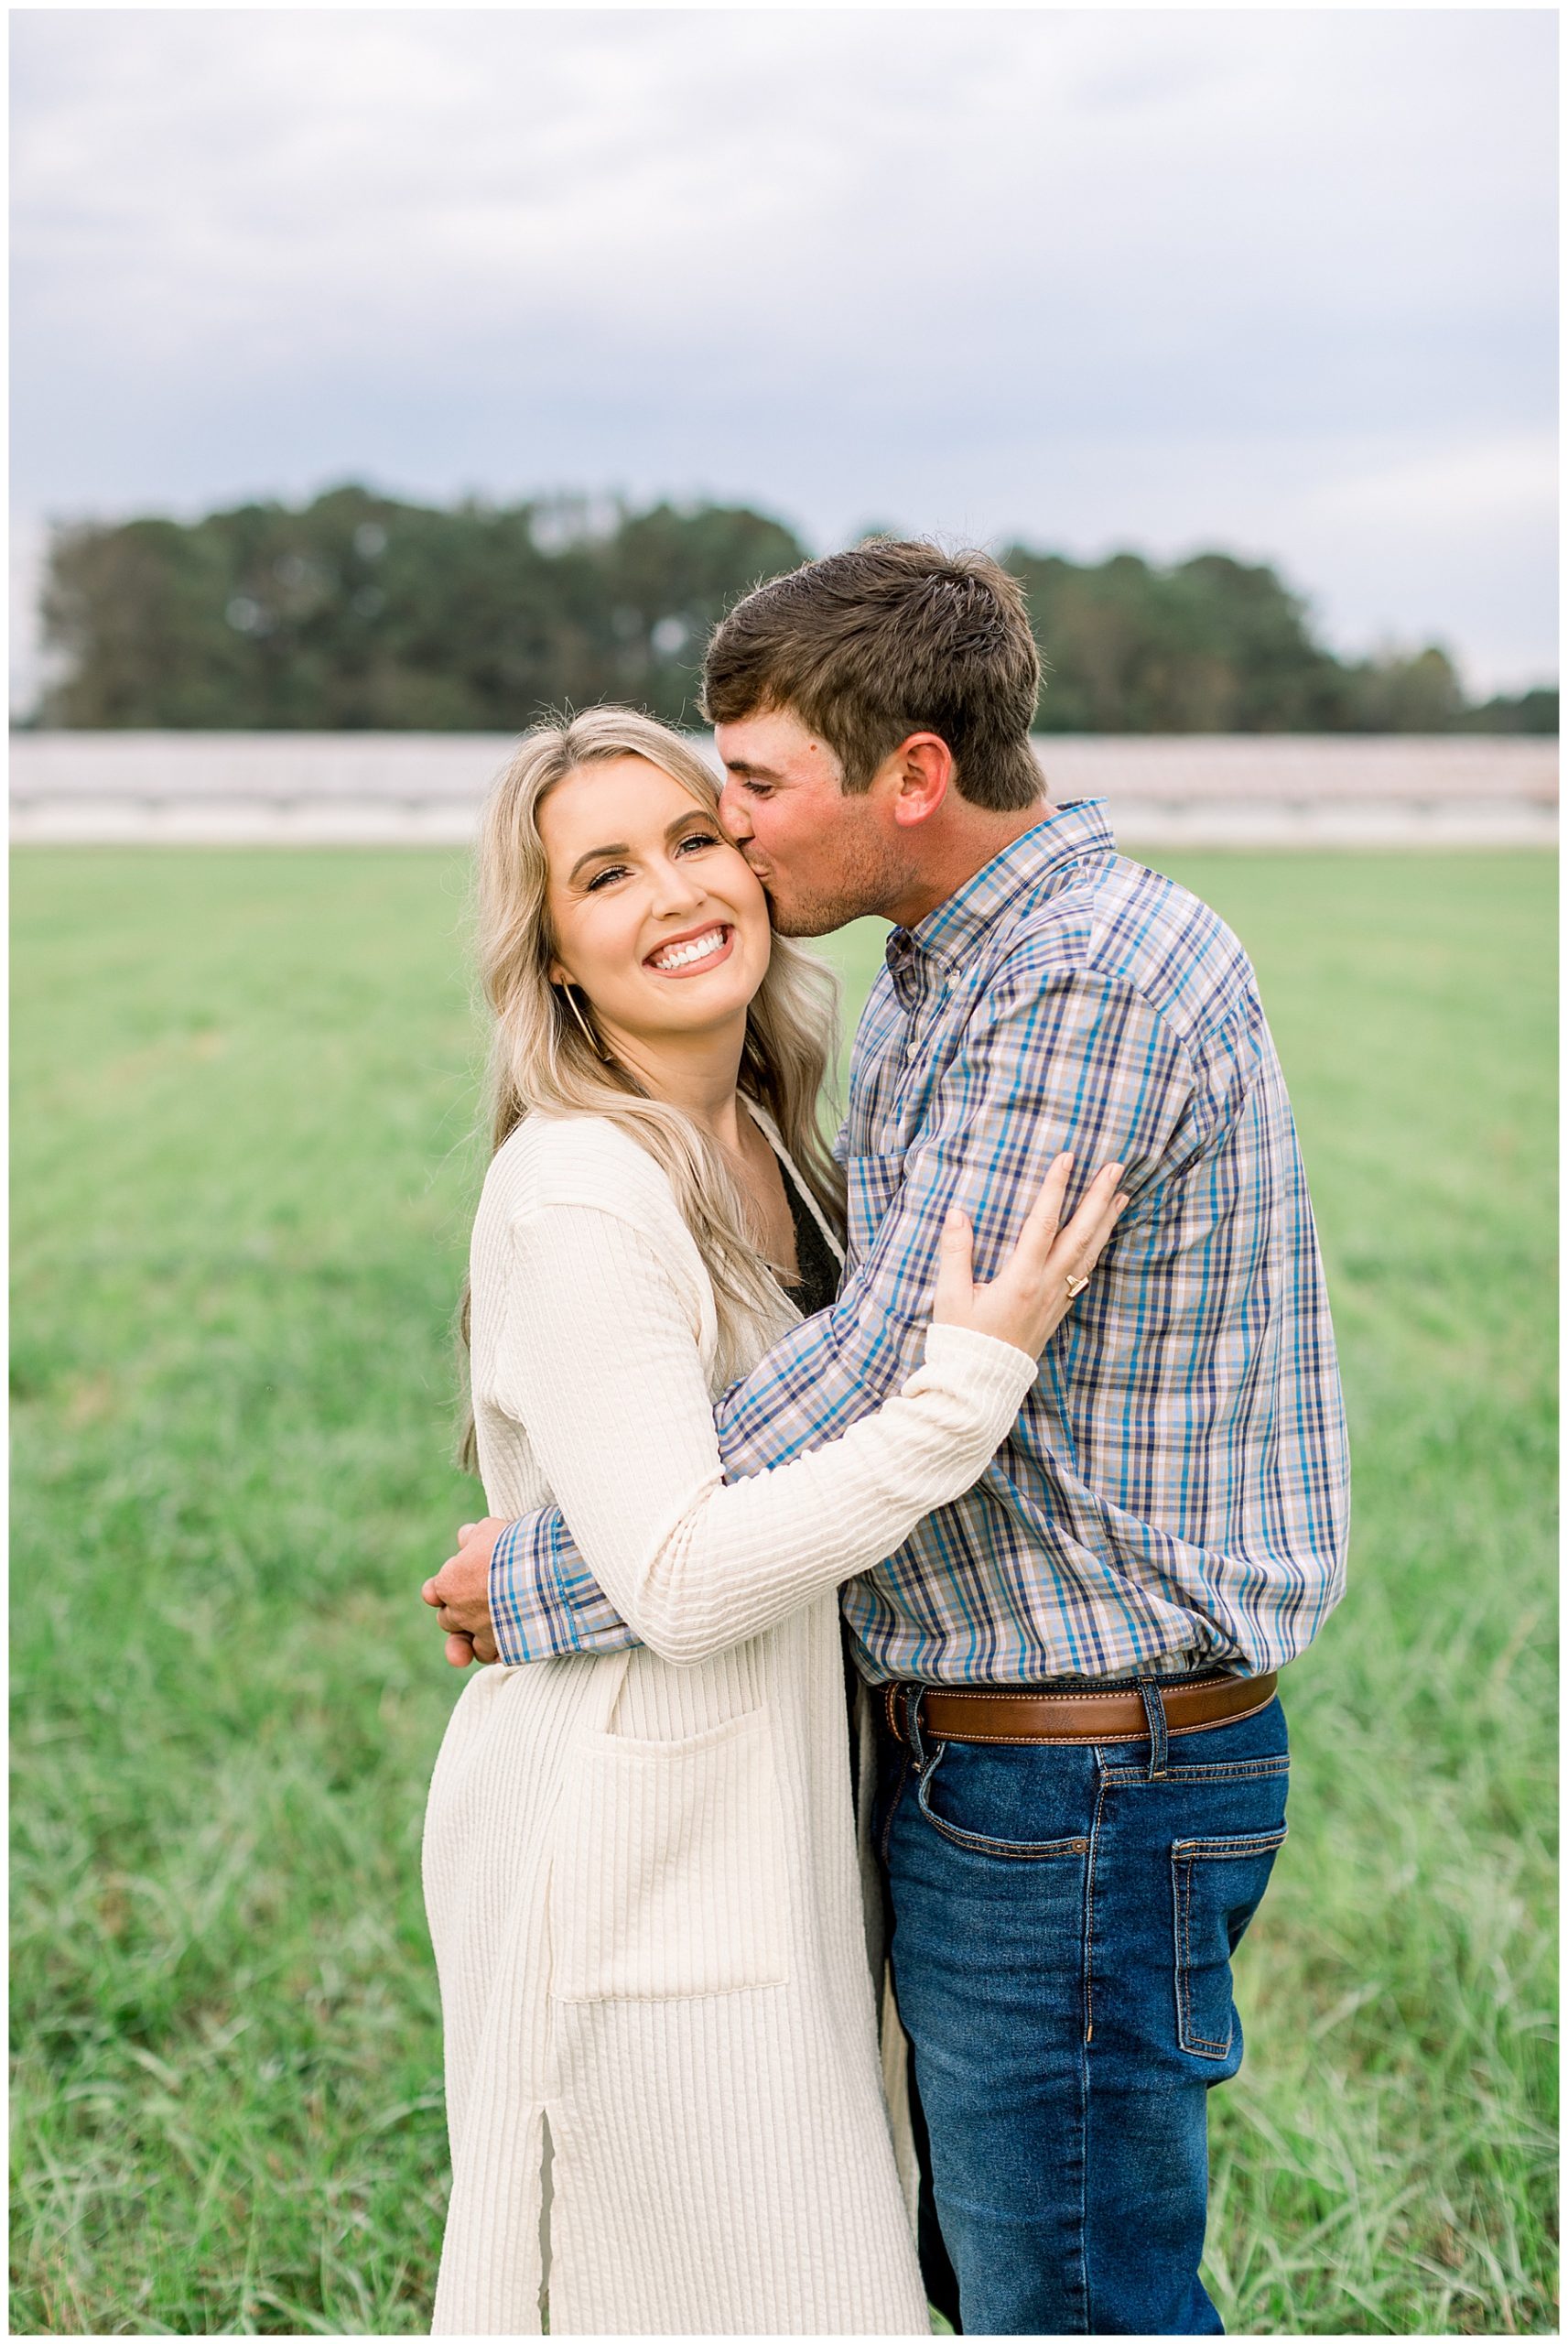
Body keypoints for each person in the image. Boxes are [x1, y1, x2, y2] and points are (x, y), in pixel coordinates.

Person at [427, 542, 1352, 2336]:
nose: (734, 845)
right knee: (955, 2276)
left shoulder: (1075, 977)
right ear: (546, 942)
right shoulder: (934, 975)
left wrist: (546, 1565)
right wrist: (614, 1544)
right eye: (623, 860)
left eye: (739, 801)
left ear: (907, 776)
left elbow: (882, 1369)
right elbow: (879, 1369)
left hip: (1072, 1775)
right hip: (935, 1778)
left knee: (1062, 2298)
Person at [420, 705, 1128, 2335]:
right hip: (629, 1847)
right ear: (555, 959)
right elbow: (675, 1576)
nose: (672, 891)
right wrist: (961, 1397)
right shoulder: (585, 1187)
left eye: (689, 838)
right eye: (603, 875)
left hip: (767, 1826)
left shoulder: (768, 1144)